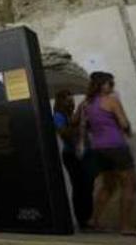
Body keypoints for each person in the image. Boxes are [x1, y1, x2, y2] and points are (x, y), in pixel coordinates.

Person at [81, 72, 136, 237]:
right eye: (110, 83)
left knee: (108, 185)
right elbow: (124, 122)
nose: (113, 86)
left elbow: (86, 126)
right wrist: (128, 131)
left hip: (99, 148)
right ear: (101, 85)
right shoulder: (111, 101)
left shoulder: (86, 104)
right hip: (116, 147)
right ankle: (126, 226)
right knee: (129, 186)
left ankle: (93, 221)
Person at [53, 89, 93, 229]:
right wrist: (79, 126)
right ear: (61, 101)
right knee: (79, 186)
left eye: (72, 100)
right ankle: (82, 219)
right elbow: (63, 133)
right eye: (67, 100)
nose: (71, 103)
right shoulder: (59, 116)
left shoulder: (72, 114)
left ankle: (88, 217)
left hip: (83, 153)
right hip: (71, 154)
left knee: (87, 186)